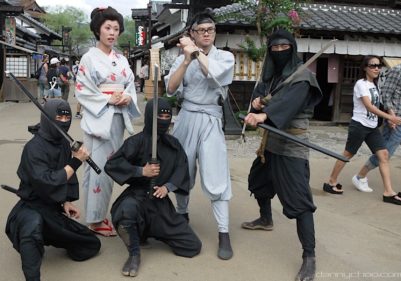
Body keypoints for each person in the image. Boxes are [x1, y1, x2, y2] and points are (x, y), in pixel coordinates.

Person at [241, 28, 322, 281]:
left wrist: (264, 114)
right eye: (274, 48)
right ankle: (266, 219)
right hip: (271, 142)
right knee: (258, 180)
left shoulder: (302, 78)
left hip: (292, 144)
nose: (278, 52)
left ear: (292, 48)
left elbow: (290, 103)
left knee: (299, 201)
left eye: (283, 47)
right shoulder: (272, 76)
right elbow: (260, 94)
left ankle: (309, 256)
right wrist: (256, 102)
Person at [165, 11, 235, 260]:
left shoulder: (225, 56)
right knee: (182, 169)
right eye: (201, 29)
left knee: (216, 172)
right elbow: (171, 89)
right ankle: (182, 216)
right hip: (186, 116)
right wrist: (185, 60)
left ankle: (224, 232)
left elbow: (214, 75)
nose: (207, 33)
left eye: (211, 29)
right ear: (192, 33)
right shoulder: (183, 57)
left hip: (211, 118)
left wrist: (195, 52)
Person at [5, 99, 101, 281]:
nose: (64, 121)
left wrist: (65, 201)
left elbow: (65, 179)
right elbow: (47, 181)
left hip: (52, 209)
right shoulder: (33, 148)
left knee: (90, 244)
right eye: (59, 117)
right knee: (32, 228)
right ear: (48, 117)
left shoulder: (64, 144)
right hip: (30, 206)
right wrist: (76, 161)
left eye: (67, 117)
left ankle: (49, 234)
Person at [104, 98, 202, 277]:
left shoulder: (173, 145)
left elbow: (182, 168)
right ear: (150, 117)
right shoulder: (136, 142)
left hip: (159, 201)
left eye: (167, 116)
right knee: (125, 212)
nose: (164, 120)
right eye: (160, 116)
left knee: (192, 246)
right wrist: (141, 171)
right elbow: (112, 165)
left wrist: (168, 187)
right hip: (137, 196)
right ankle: (134, 253)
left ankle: (152, 230)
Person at [75, 6, 141, 237]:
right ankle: (94, 219)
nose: (112, 33)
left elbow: (131, 85)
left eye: (116, 28)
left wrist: (127, 97)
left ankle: (98, 214)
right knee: (96, 167)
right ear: (98, 30)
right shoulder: (88, 58)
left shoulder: (121, 59)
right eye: (107, 28)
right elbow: (82, 90)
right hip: (99, 118)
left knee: (110, 165)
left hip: (117, 118)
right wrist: (109, 99)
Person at [323, 57, 401, 205]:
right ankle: (331, 182)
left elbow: (378, 106)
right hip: (359, 125)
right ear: (365, 68)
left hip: (372, 127)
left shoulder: (375, 85)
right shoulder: (361, 84)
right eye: (372, 66)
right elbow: (369, 106)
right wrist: (392, 118)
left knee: (384, 155)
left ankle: (388, 192)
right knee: (348, 154)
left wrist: (389, 118)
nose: (376, 68)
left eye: (378, 66)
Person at [353, 62, 401, 204]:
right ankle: (360, 176)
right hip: (398, 121)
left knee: (384, 153)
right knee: (385, 153)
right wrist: (391, 116)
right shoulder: (398, 71)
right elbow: (386, 94)